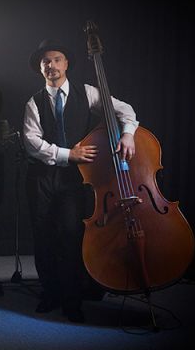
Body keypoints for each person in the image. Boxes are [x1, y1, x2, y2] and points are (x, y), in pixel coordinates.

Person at [22, 39, 139, 323]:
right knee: (44, 236)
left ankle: (72, 299)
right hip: (42, 177)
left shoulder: (87, 93)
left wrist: (128, 134)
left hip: (76, 180)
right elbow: (31, 142)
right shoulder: (34, 101)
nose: (51, 65)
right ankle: (50, 294)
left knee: (71, 235)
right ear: (40, 68)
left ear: (66, 63)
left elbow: (125, 110)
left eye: (57, 59)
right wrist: (68, 154)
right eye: (45, 62)